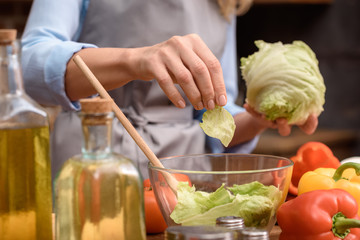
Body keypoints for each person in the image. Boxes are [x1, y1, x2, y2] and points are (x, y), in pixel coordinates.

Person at [21, 0, 318, 179]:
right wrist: (134, 60)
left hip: (183, 177)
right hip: (91, 158)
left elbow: (216, 112)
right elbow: (31, 63)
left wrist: (257, 120)